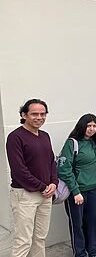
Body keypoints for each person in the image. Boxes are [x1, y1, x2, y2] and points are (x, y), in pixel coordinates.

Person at [6, 99, 57, 257]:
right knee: (24, 241)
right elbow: (19, 170)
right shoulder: (15, 137)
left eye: (43, 114)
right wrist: (43, 186)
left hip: (46, 194)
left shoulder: (45, 136)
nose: (39, 117)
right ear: (24, 115)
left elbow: (51, 162)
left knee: (39, 238)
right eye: (34, 114)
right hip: (25, 195)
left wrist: (54, 183)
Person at [58, 114, 96, 257]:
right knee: (78, 224)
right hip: (77, 192)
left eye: (94, 126)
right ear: (82, 125)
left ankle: (94, 251)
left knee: (95, 222)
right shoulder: (72, 143)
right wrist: (75, 191)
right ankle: (80, 253)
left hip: (94, 190)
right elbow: (64, 169)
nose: (91, 129)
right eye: (89, 125)